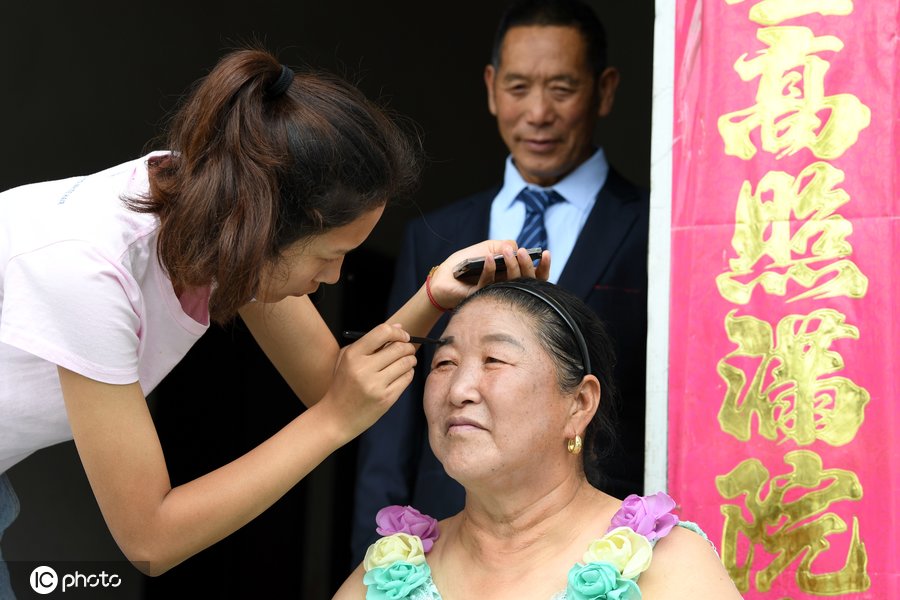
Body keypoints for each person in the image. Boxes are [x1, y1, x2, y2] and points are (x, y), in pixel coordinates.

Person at [0, 45, 549, 594]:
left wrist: (435, 295)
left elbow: (326, 380)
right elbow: (150, 542)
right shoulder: (92, 271)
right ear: (266, 227)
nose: (335, 278)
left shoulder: (223, 205)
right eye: (328, 255)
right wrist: (334, 420)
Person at [352, 0, 649, 561]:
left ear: (604, 90)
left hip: (598, 547)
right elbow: (389, 417)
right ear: (490, 89)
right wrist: (378, 559)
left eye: (562, 88)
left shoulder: (655, 230)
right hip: (445, 538)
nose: (538, 113)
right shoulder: (436, 235)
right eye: (517, 88)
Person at [335, 279, 741, 600]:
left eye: (494, 360)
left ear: (580, 404)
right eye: (445, 362)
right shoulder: (390, 574)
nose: (459, 389)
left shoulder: (666, 566)